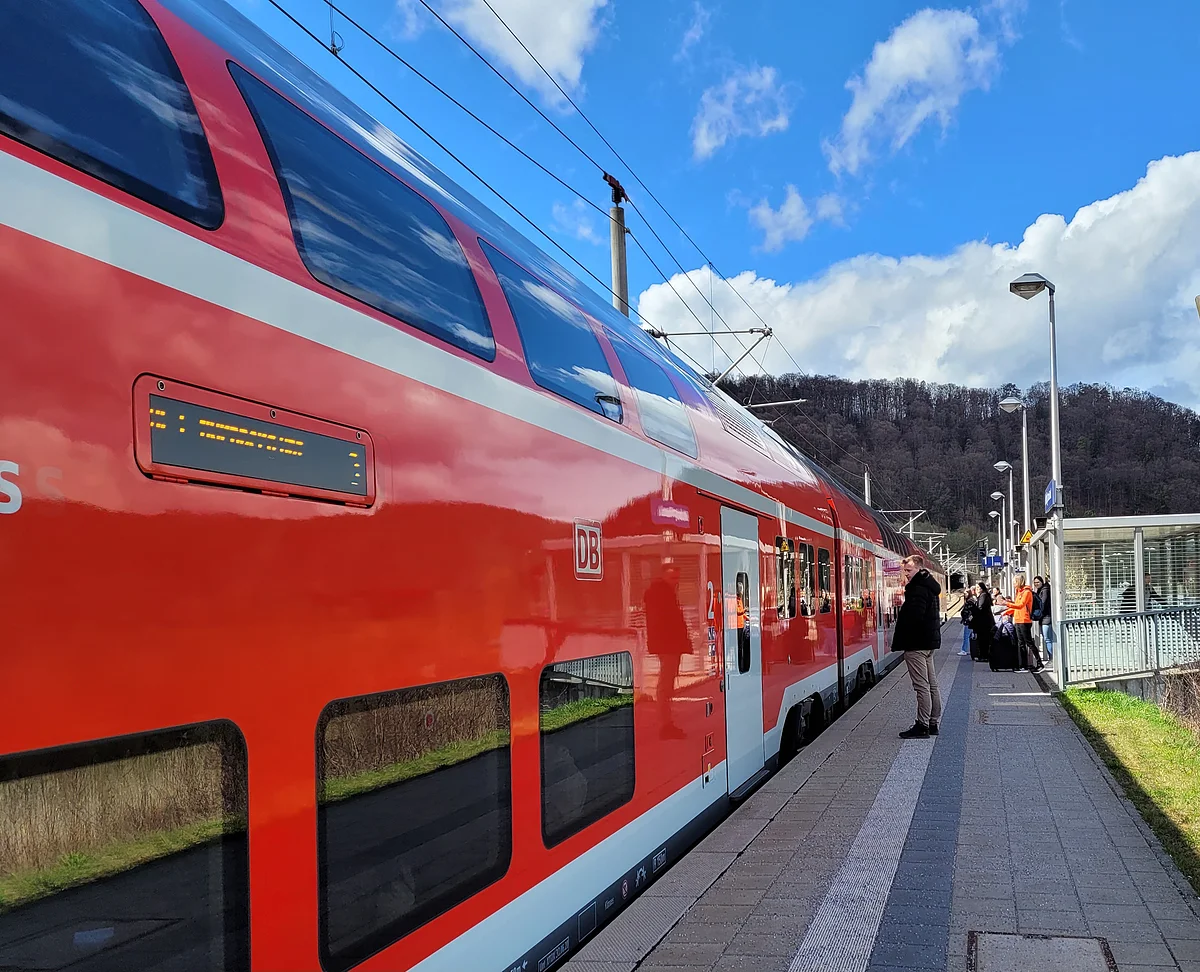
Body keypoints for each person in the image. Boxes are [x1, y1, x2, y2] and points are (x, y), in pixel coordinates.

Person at [891, 553, 943, 738]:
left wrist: (905, 634)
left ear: (919, 568)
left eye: (909, 570)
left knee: (921, 686)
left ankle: (922, 726)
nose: (906, 573)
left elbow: (915, 617)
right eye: (905, 570)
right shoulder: (929, 586)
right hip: (928, 644)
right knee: (932, 685)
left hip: (916, 645)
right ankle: (933, 722)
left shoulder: (917, 589)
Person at [644, 563, 690, 739]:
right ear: (663, 576)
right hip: (668, 646)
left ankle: (667, 722)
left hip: (669, 645)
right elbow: (663, 622)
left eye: (677, 578)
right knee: (665, 686)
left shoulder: (663, 592)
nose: (675, 581)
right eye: (672, 578)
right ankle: (665, 725)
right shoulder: (660, 594)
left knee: (667, 685)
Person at [1003, 573, 1042, 672]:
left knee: (1029, 642)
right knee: (1021, 643)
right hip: (1018, 619)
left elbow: (1021, 605)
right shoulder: (1019, 592)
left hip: (1025, 620)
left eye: (1014, 582)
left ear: (1019, 582)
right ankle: (1023, 665)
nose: (1013, 584)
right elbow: (1017, 606)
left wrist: (1007, 604)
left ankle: (1039, 662)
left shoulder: (1026, 592)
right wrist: (1007, 612)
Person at [1031, 576, 1053, 662]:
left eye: (1038, 582)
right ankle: (1051, 657)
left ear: (1042, 582)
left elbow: (1042, 604)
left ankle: (1052, 658)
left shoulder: (1045, 590)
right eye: (1035, 583)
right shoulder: (1040, 590)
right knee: (1046, 638)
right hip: (1043, 618)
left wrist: (1036, 612)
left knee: (1048, 639)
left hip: (1046, 618)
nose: (1036, 584)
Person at [970, 581, 994, 660]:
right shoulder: (984, 595)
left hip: (983, 622)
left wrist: (973, 608)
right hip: (985, 621)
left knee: (983, 639)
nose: (977, 589)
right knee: (984, 639)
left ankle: (983, 656)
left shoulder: (983, 596)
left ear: (982, 588)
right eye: (976, 588)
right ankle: (984, 655)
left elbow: (980, 608)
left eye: (978, 588)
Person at [958, 590, 976, 656]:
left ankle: (964, 650)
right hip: (969, 621)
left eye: (966, 593)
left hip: (968, 622)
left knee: (966, 636)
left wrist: (967, 619)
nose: (965, 595)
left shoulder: (969, 602)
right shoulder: (972, 600)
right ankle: (970, 649)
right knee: (969, 636)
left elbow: (969, 612)